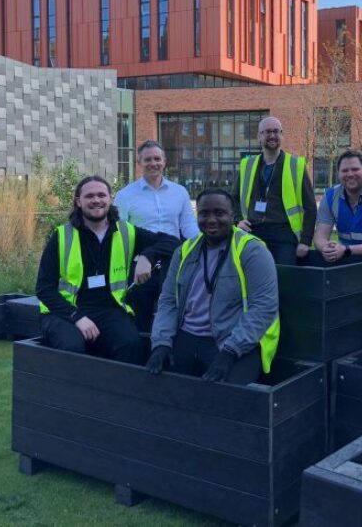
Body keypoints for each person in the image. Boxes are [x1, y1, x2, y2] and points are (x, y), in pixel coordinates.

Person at [36, 176, 178, 363]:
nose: (96, 200)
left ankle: (116, 391)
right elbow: (44, 289)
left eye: (102, 195)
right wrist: (77, 317)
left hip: (108, 309)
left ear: (110, 199)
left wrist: (148, 255)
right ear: (79, 202)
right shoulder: (62, 236)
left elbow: (173, 242)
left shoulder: (125, 231)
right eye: (90, 196)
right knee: (72, 346)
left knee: (131, 343)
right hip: (64, 312)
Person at [147, 188, 280, 384]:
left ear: (232, 215)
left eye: (219, 213)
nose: (211, 220)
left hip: (233, 339)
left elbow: (264, 307)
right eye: (204, 214)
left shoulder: (252, 251)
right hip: (188, 335)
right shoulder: (184, 251)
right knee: (161, 387)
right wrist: (161, 343)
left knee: (224, 400)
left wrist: (231, 351)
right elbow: (168, 300)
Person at [114, 140, 199, 330]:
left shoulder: (180, 192)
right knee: (140, 316)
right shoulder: (125, 196)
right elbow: (121, 234)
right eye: (147, 159)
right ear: (139, 162)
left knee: (173, 312)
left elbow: (188, 227)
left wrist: (205, 245)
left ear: (165, 161)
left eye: (157, 158)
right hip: (139, 266)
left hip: (173, 261)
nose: (153, 163)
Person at [235, 116, 316, 265]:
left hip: (284, 235)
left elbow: (310, 207)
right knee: (252, 278)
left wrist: (305, 241)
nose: (272, 135)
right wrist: (237, 221)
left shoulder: (296, 165)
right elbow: (233, 199)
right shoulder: (247, 165)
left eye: (276, 131)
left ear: (282, 135)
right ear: (259, 136)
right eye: (267, 132)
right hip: (253, 232)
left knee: (284, 279)